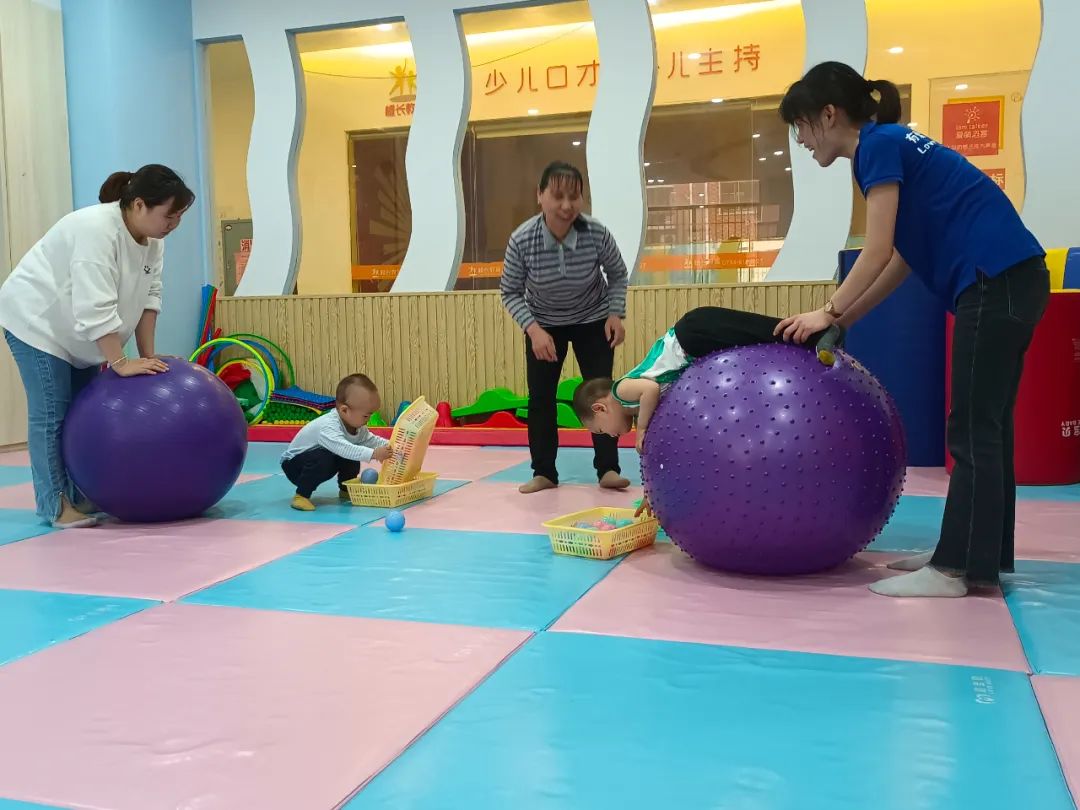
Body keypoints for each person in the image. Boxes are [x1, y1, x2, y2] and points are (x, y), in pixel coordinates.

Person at [774, 61, 1049, 598]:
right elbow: (902, 258)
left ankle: (953, 571)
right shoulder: (892, 143)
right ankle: (974, 555)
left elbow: (876, 250)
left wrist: (827, 311)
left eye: (801, 126)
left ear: (828, 115)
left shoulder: (875, 147)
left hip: (994, 281)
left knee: (973, 429)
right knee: (987, 427)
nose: (801, 141)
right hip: (1012, 279)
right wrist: (845, 319)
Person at [0, 164, 194, 529]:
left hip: (79, 334)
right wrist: (120, 362)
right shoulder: (96, 230)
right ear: (139, 204)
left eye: (179, 217)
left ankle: (79, 492)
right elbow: (94, 305)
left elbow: (150, 296)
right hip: (37, 322)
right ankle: (56, 503)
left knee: (82, 414)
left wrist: (148, 355)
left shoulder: (154, 240)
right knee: (52, 413)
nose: (174, 224)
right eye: (169, 215)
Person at [500, 160, 632, 494]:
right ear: (540, 195)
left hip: (593, 320)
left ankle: (608, 469)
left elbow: (617, 274)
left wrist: (615, 314)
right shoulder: (522, 239)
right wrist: (533, 329)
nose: (567, 205)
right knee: (541, 398)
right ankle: (544, 472)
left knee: (601, 394)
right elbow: (510, 291)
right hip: (544, 325)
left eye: (574, 197)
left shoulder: (596, 233)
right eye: (558, 196)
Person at [573, 305, 843, 451]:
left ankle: (817, 333)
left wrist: (641, 430)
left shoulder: (621, 390)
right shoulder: (635, 408)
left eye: (600, 430)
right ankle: (813, 339)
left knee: (760, 331)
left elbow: (650, 390)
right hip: (696, 343)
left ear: (601, 407)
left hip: (692, 334)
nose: (609, 435)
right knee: (760, 339)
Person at [280, 373, 395, 511]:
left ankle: (345, 490)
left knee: (351, 454)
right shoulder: (328, 425)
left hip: (315, 461)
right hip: (294, 466)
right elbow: (343, 448)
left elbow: (371, 440)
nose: (368, 420)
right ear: (344, 410)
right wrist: (374, 454)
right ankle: (301, 495)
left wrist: (393, 445)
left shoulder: (357, 427)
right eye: (366, 416)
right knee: (334, 454)